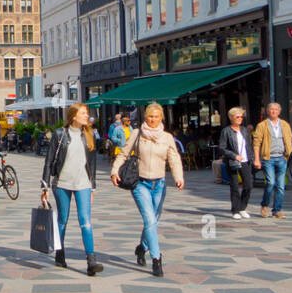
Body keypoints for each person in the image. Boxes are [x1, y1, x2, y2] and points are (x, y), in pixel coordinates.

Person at [111, 102, 184, 278]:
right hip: (140, 183)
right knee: (150, 220)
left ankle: (141, 248)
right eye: (150, 116)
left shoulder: (167, 137)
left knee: (154, 221)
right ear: (146, 117)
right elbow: (123, 154)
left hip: (159, 184)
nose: (153, 119)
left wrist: (178, 177)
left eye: (156, 116)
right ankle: (156, 259)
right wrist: (114, 171)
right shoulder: (137, 134)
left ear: (161, 118)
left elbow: (173, 158)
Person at [40, 103, 103, 276]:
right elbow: (49, 160)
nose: (86, 116)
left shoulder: (89, 135)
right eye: (83, 113)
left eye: (87, 113)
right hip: (62, 183)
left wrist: (92, 187)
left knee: (86, 221)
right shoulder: (60, 134)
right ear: (73, 116)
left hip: (83, 183)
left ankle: (91, 260)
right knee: (62, 220)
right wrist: (44, 185)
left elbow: (92, 164)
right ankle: (60, 253)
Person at [252, 102, 292, 220]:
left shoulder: (285, 124)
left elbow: (289, 138)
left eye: (276, 109)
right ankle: (264, 205)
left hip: (282, 158)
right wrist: (257, 159)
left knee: (280, 186)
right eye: (271, 109)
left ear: (279, 112)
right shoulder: (262, 125)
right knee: (270, 182)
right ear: (267, 111)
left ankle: (277, 210)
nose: (274, 111)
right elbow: (256, 143)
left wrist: (289, 152)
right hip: (268, 158)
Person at [219, 108, 253, 220]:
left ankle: (242, 207)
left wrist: (252, 158)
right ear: (231, 117)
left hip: (245, 160)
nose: (240, 119)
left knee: (248, 184)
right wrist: (234, 156)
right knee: (234, 186)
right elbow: (222, 148)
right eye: (237, 117)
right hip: (232, 161)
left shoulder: (244, 130)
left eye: (241, 117)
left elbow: (249, 145)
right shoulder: (226, 131)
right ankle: (235, 210)